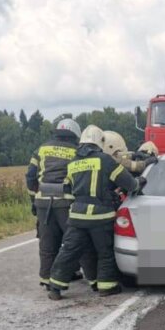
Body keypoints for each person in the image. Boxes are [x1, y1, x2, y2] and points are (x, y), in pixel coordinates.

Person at [47, 125, 137, 300]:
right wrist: (139, 182)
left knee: (69, 251)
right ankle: (107, 286)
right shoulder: (105, 160)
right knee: (105, 252)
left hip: (77, 217)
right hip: (101, 217)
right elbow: (129, 183)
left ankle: (55, 287)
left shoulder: (73, 163)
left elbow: (66, 188)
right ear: (100, 141)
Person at [25, 118, 94, 287]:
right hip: (66, 203)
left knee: (47, 242)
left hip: (43, 202)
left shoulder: (42, 149)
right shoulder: (77, 151)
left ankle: (47, 279)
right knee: (76, 240)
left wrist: (33, 200)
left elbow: (30, 176)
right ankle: (93, 279)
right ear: (75, 134)